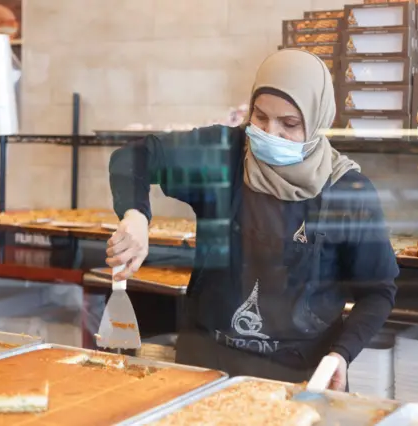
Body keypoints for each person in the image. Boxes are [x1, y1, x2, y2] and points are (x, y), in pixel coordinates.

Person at [106, 49, 398, 390]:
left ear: (317, 120)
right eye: (260, 117)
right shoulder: (223, 155)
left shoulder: (347, 191)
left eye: (288, 124)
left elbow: (378, 292)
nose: (270, 132)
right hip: (207, 370)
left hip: (301, 377)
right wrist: (136, 213)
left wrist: (341, 354)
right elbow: (133, 157)